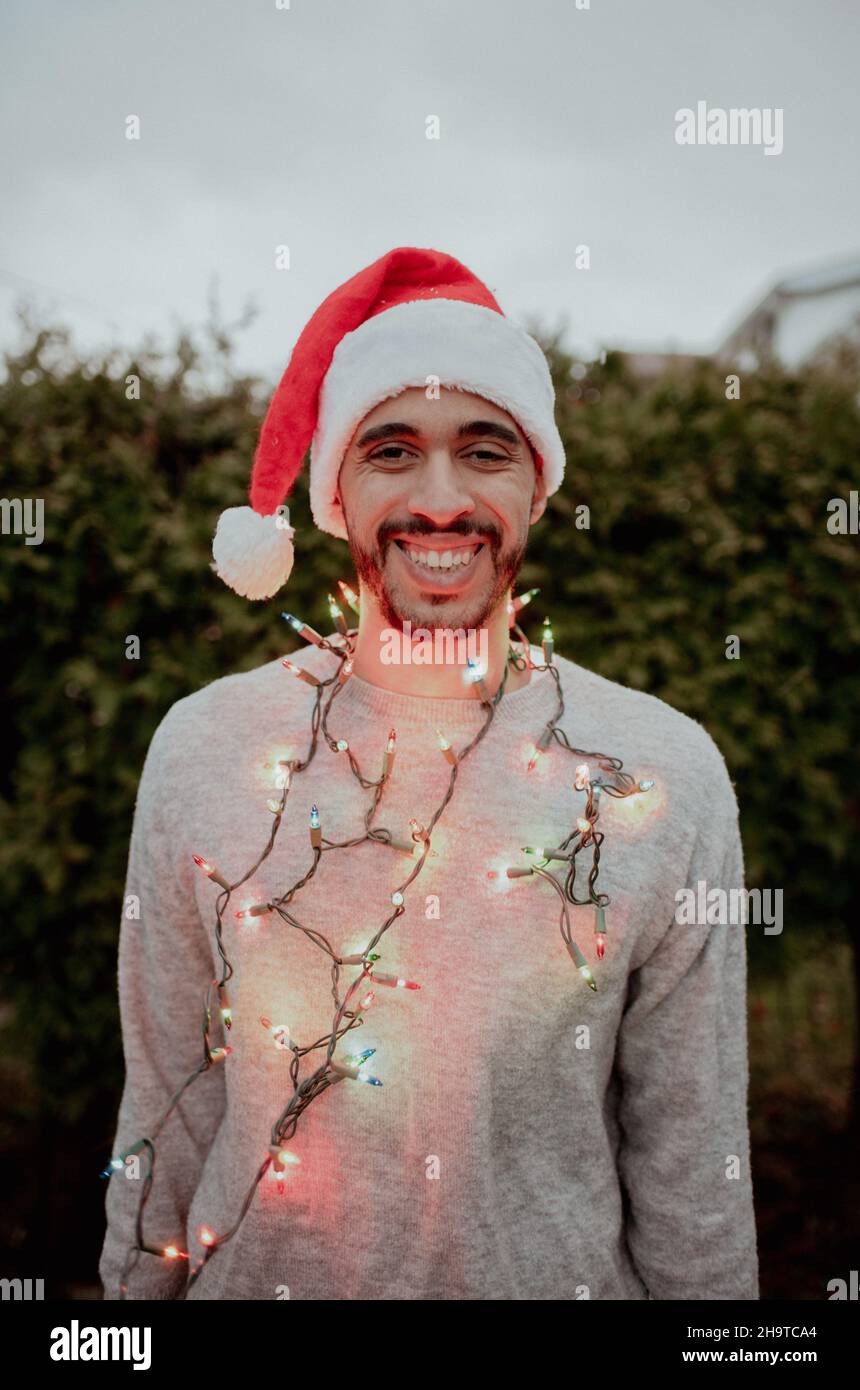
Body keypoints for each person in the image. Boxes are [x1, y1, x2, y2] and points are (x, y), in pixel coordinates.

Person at [99, 246, 759, 1300]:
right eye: (393, 449)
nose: (441, 499)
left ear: (537, 485)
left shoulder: (655, 772)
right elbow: (163, 1122)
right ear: (336, 493)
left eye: (485, 450)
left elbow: (693, 1168)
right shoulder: (207, 748)